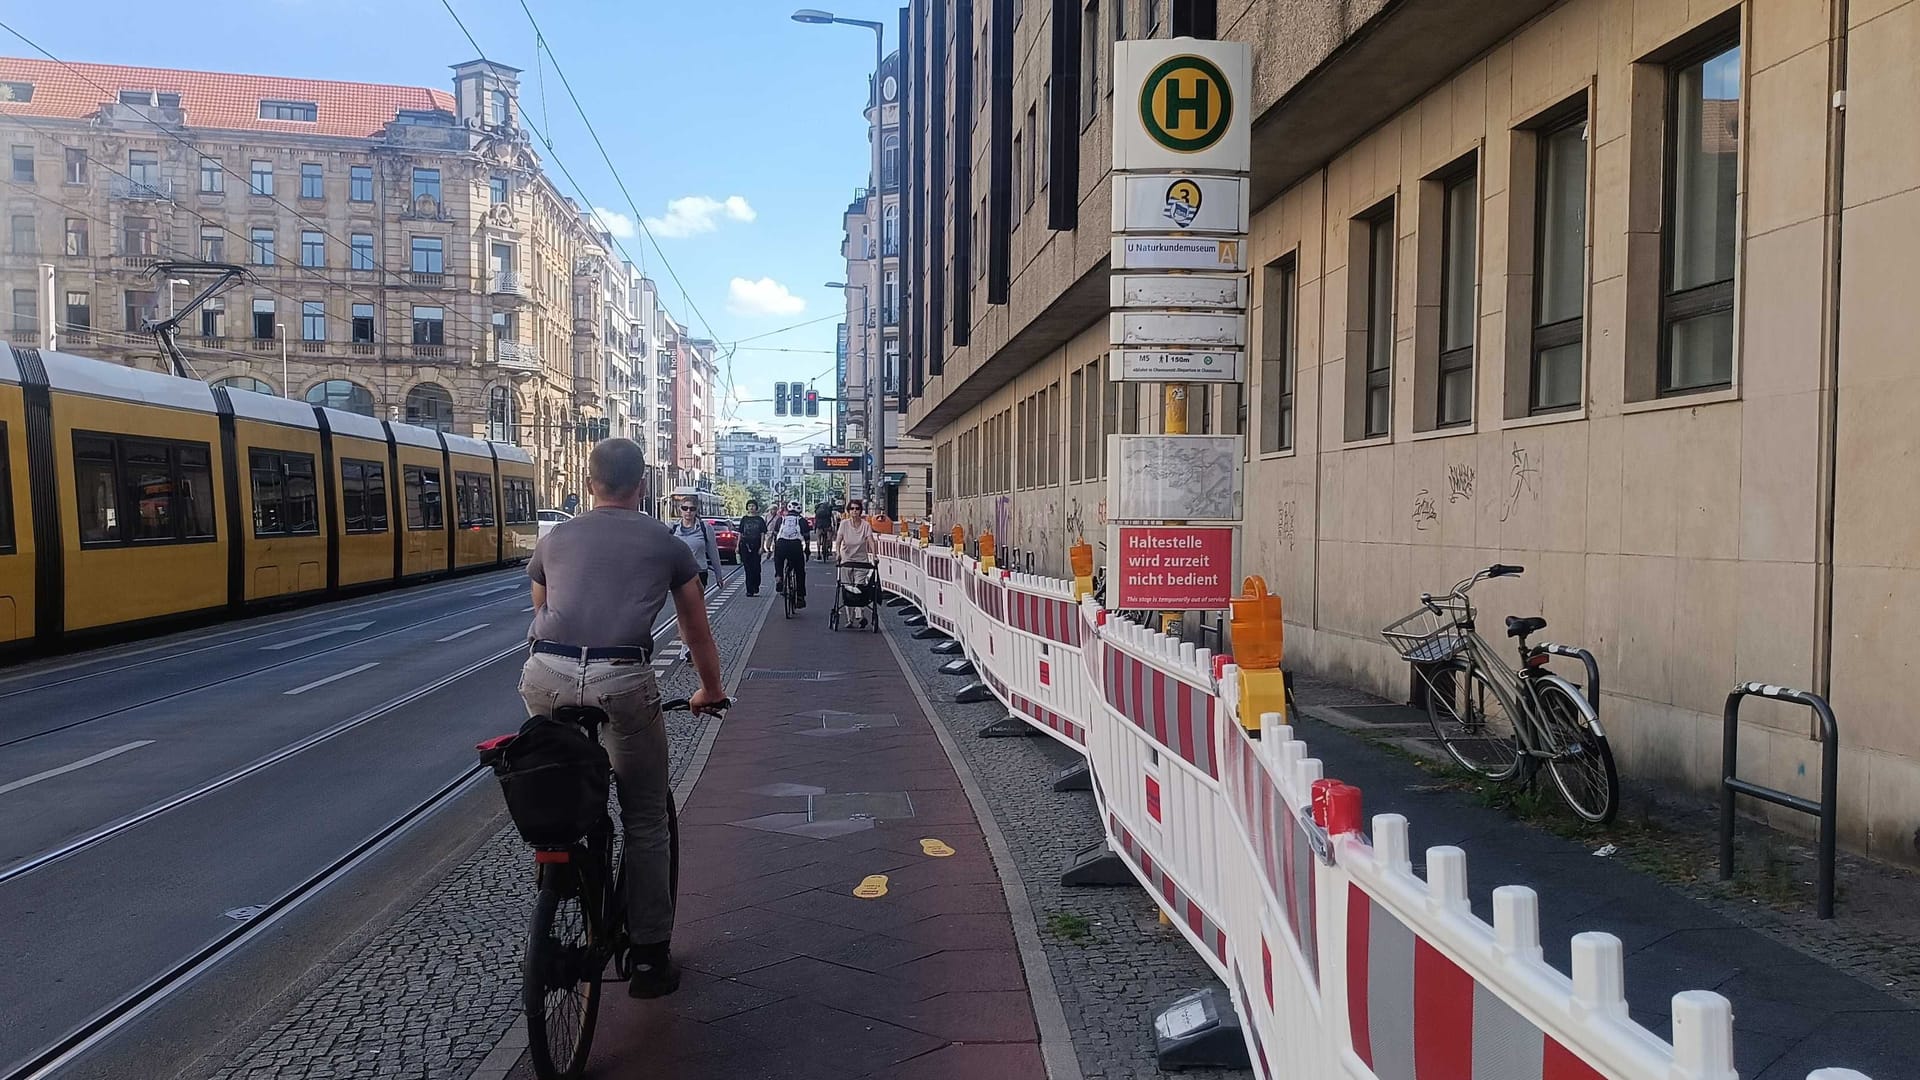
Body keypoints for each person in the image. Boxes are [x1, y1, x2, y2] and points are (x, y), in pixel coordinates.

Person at [520, 438, 725, 999]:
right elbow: (694, 629)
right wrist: (710, 690)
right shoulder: (666, 541)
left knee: (561, 782)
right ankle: (650, 959)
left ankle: (559, 869)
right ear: (642, 487)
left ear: (589, 484)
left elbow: (541, 608)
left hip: (546, 675)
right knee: (644, 818)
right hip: (621, 679)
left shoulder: (555, 537)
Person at [834, 499, 878, 627]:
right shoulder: (844, 524)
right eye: (852, 509)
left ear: (860, 511)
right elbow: (838, 540)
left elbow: (871, 540)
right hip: (846, 559)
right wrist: (837, 553)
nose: (854, 511)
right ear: (848, 511)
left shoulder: (865, 525)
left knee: (859, 588)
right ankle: (849, 619)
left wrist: (874, 556)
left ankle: (860, 616)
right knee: (847, 587)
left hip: (861, 561)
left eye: (857, 509)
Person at [668, 501, 722, 588]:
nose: (688, 511)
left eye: (692, 509)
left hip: (699, 572)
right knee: (682, 601)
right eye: (685, 508)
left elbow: (713, 553)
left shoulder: (705, 528)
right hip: (678, 574)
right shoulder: (672, 528)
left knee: (696, 601)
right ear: (680, 509)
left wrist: (718, 575)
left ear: (696, 510)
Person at [771, 500, 809, 606]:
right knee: (800, 571)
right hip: (795, 546)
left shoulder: (781, 519)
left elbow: (775, 534)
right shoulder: (802, 520)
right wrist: (807, 550)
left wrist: (774, 547)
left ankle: (779, 577)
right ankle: (800, 597)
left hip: (781, 544)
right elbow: (807, 538)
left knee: (778, 560)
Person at [736, 499, 769, 596]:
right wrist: (737, 546)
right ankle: (749, 590)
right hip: (745, 546)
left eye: (753, 506)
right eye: (749, 506)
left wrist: (762, 547)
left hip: (756, 545)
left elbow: (763, 533)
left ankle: (756, 585)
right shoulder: (744, 519)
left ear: (756, 508)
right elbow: (740, 533)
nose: (751, 508)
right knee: (747, 568)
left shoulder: (760, 520)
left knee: (756, 567)